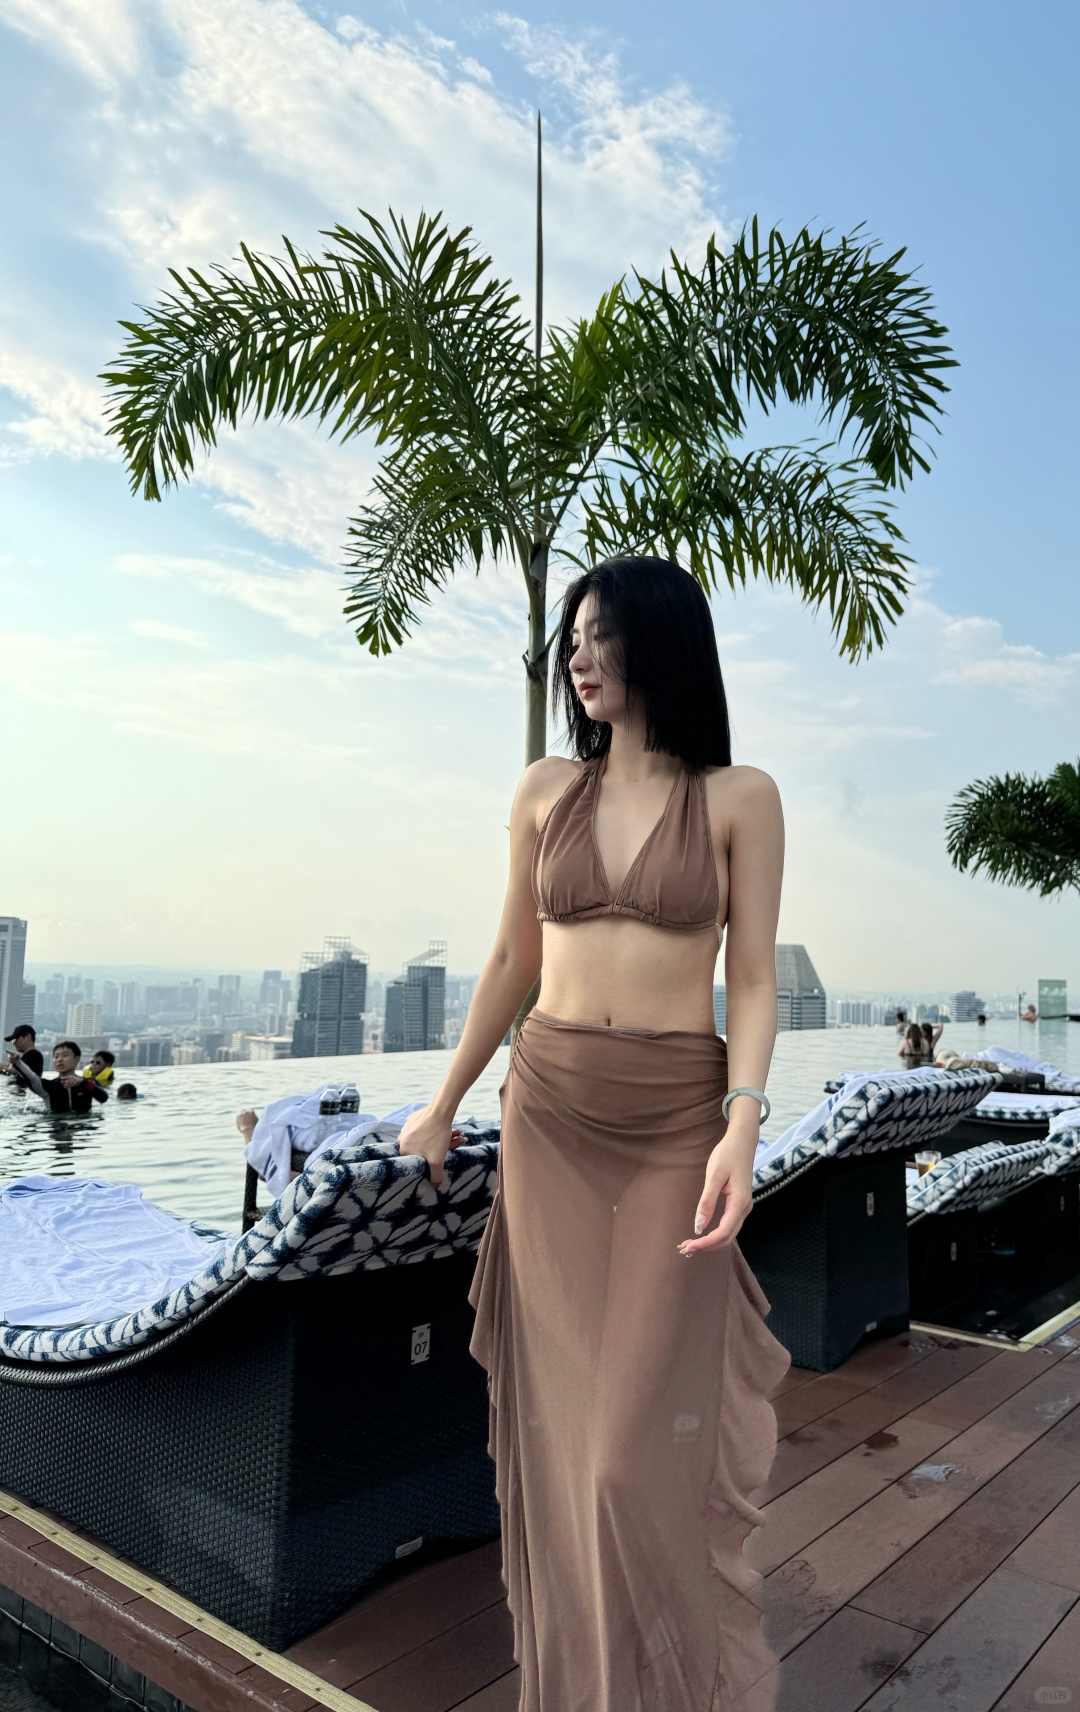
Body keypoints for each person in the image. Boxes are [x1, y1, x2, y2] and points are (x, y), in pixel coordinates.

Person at [397, 556, 789, 1712]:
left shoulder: (740, 797)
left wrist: (742, 1126)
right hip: (549, 1116)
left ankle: (671, 1680)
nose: (578, 654)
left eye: (601, 633)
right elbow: (514, 957)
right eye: (572, 636)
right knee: (569, 1448)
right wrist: (445, 1097)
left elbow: (755, 980)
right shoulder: (541, 790)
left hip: (677, 1121)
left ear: (660, 644)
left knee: (624, 1455)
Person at [9, 1040, 109, 1113]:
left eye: (65, 1055)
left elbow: (103, 1098)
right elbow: (31, 1078)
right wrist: (18, 1063)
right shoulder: (49, 1086)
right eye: (56, 1057)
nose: (59, 1059)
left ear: (77, 1059)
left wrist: (82, 1082)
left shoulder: (88, 1083)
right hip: (56, 1127)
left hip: (81, 1133)